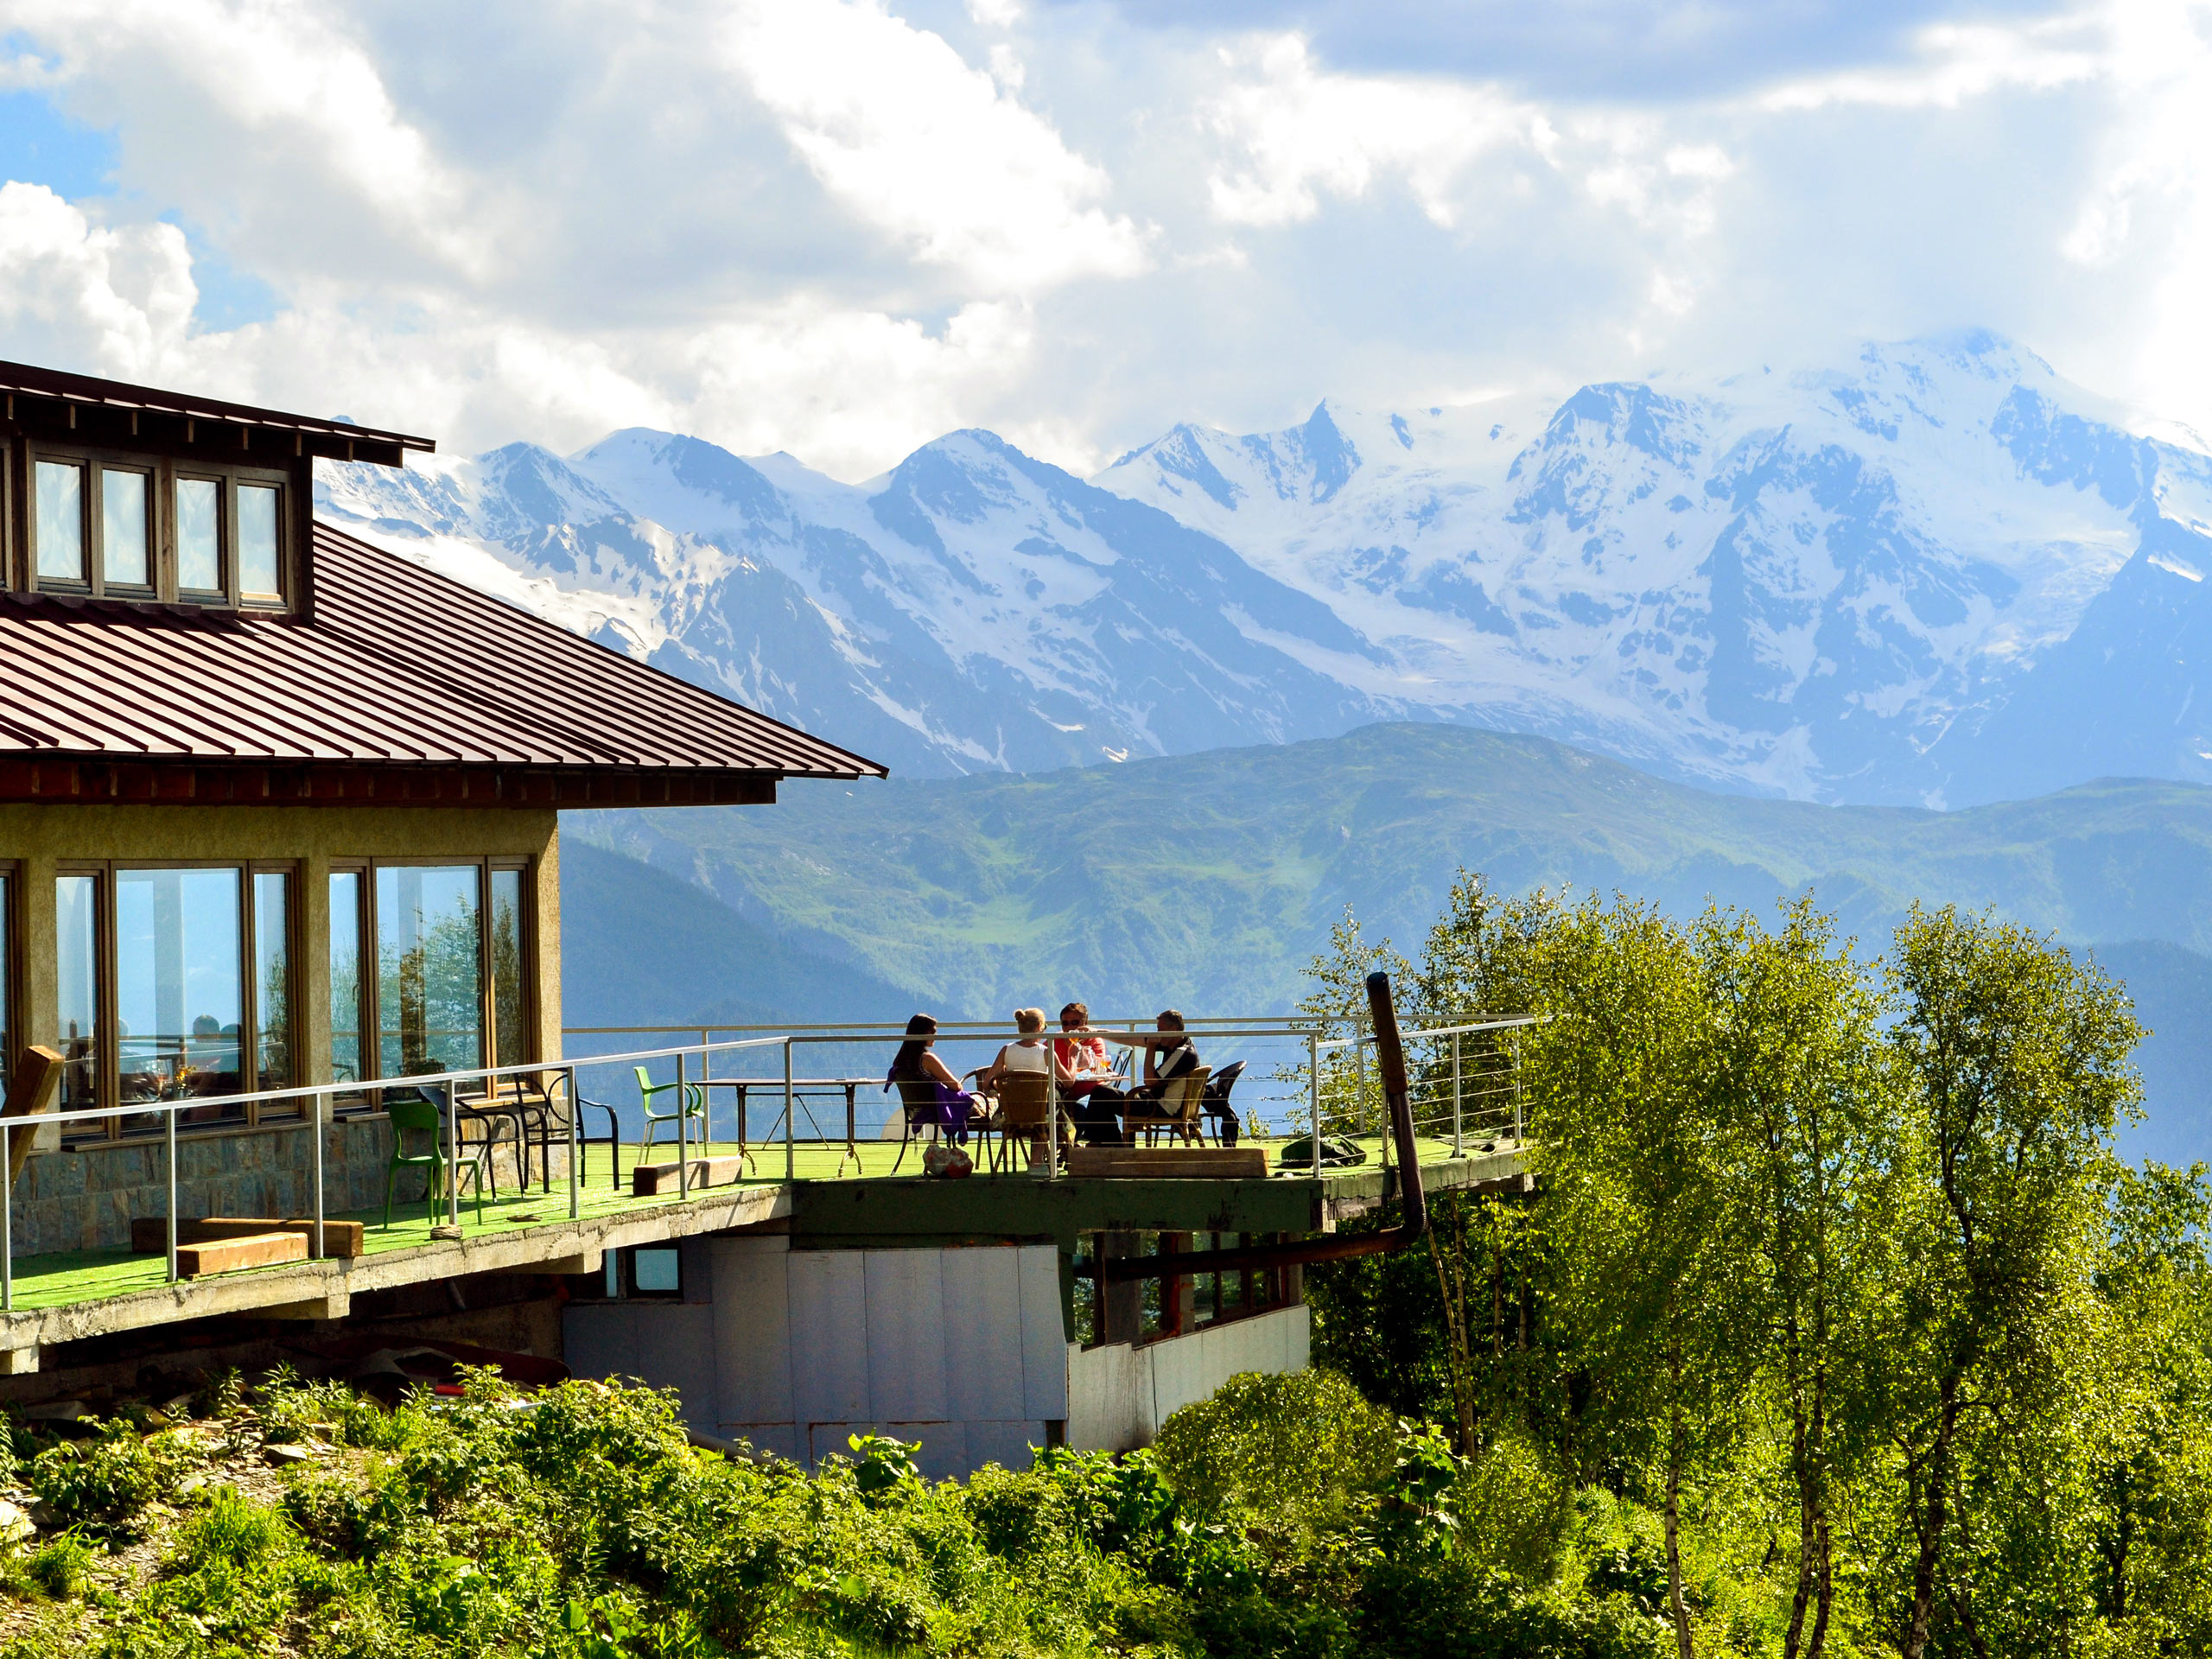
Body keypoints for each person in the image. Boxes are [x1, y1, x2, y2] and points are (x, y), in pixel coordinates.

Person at [1083, 1011, 1204, 1137]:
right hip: (1155, 1101)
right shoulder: (1178, 1043)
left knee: (1101, 1093)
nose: (1157, 1034)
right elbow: (1132, 1039)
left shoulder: (1182, 1054)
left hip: (1162, 1107)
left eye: (1159, 1030)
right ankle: (1112, 1143)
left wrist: (1151, 1047)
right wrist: (1096, 1032)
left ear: (1172, 1029)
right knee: (1104, 1092)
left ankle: (1111, 1143)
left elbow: (1150, 1081)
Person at [883, 1014, 984, 1145]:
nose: (935, 1035)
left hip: (915, 1111)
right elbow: (956, 1086)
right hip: (937, 1111)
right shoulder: (927, 1059)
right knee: (985, 1102)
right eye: (933, 1031)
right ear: (923, 1033)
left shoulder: (900, 1062)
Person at [1052, 1002, 1128, 1146]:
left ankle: (1071, 1148)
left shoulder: (1094, 1040)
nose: (1070, 1028)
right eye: (1065, 1023)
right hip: (1061, 1091)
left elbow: (1094, 1066)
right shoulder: (1053, 1040)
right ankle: (1063, 1148)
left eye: (1075, 1023)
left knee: (1081, 1108)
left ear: (1084, 1023)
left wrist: (1076, 1048)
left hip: (1089, 1091)